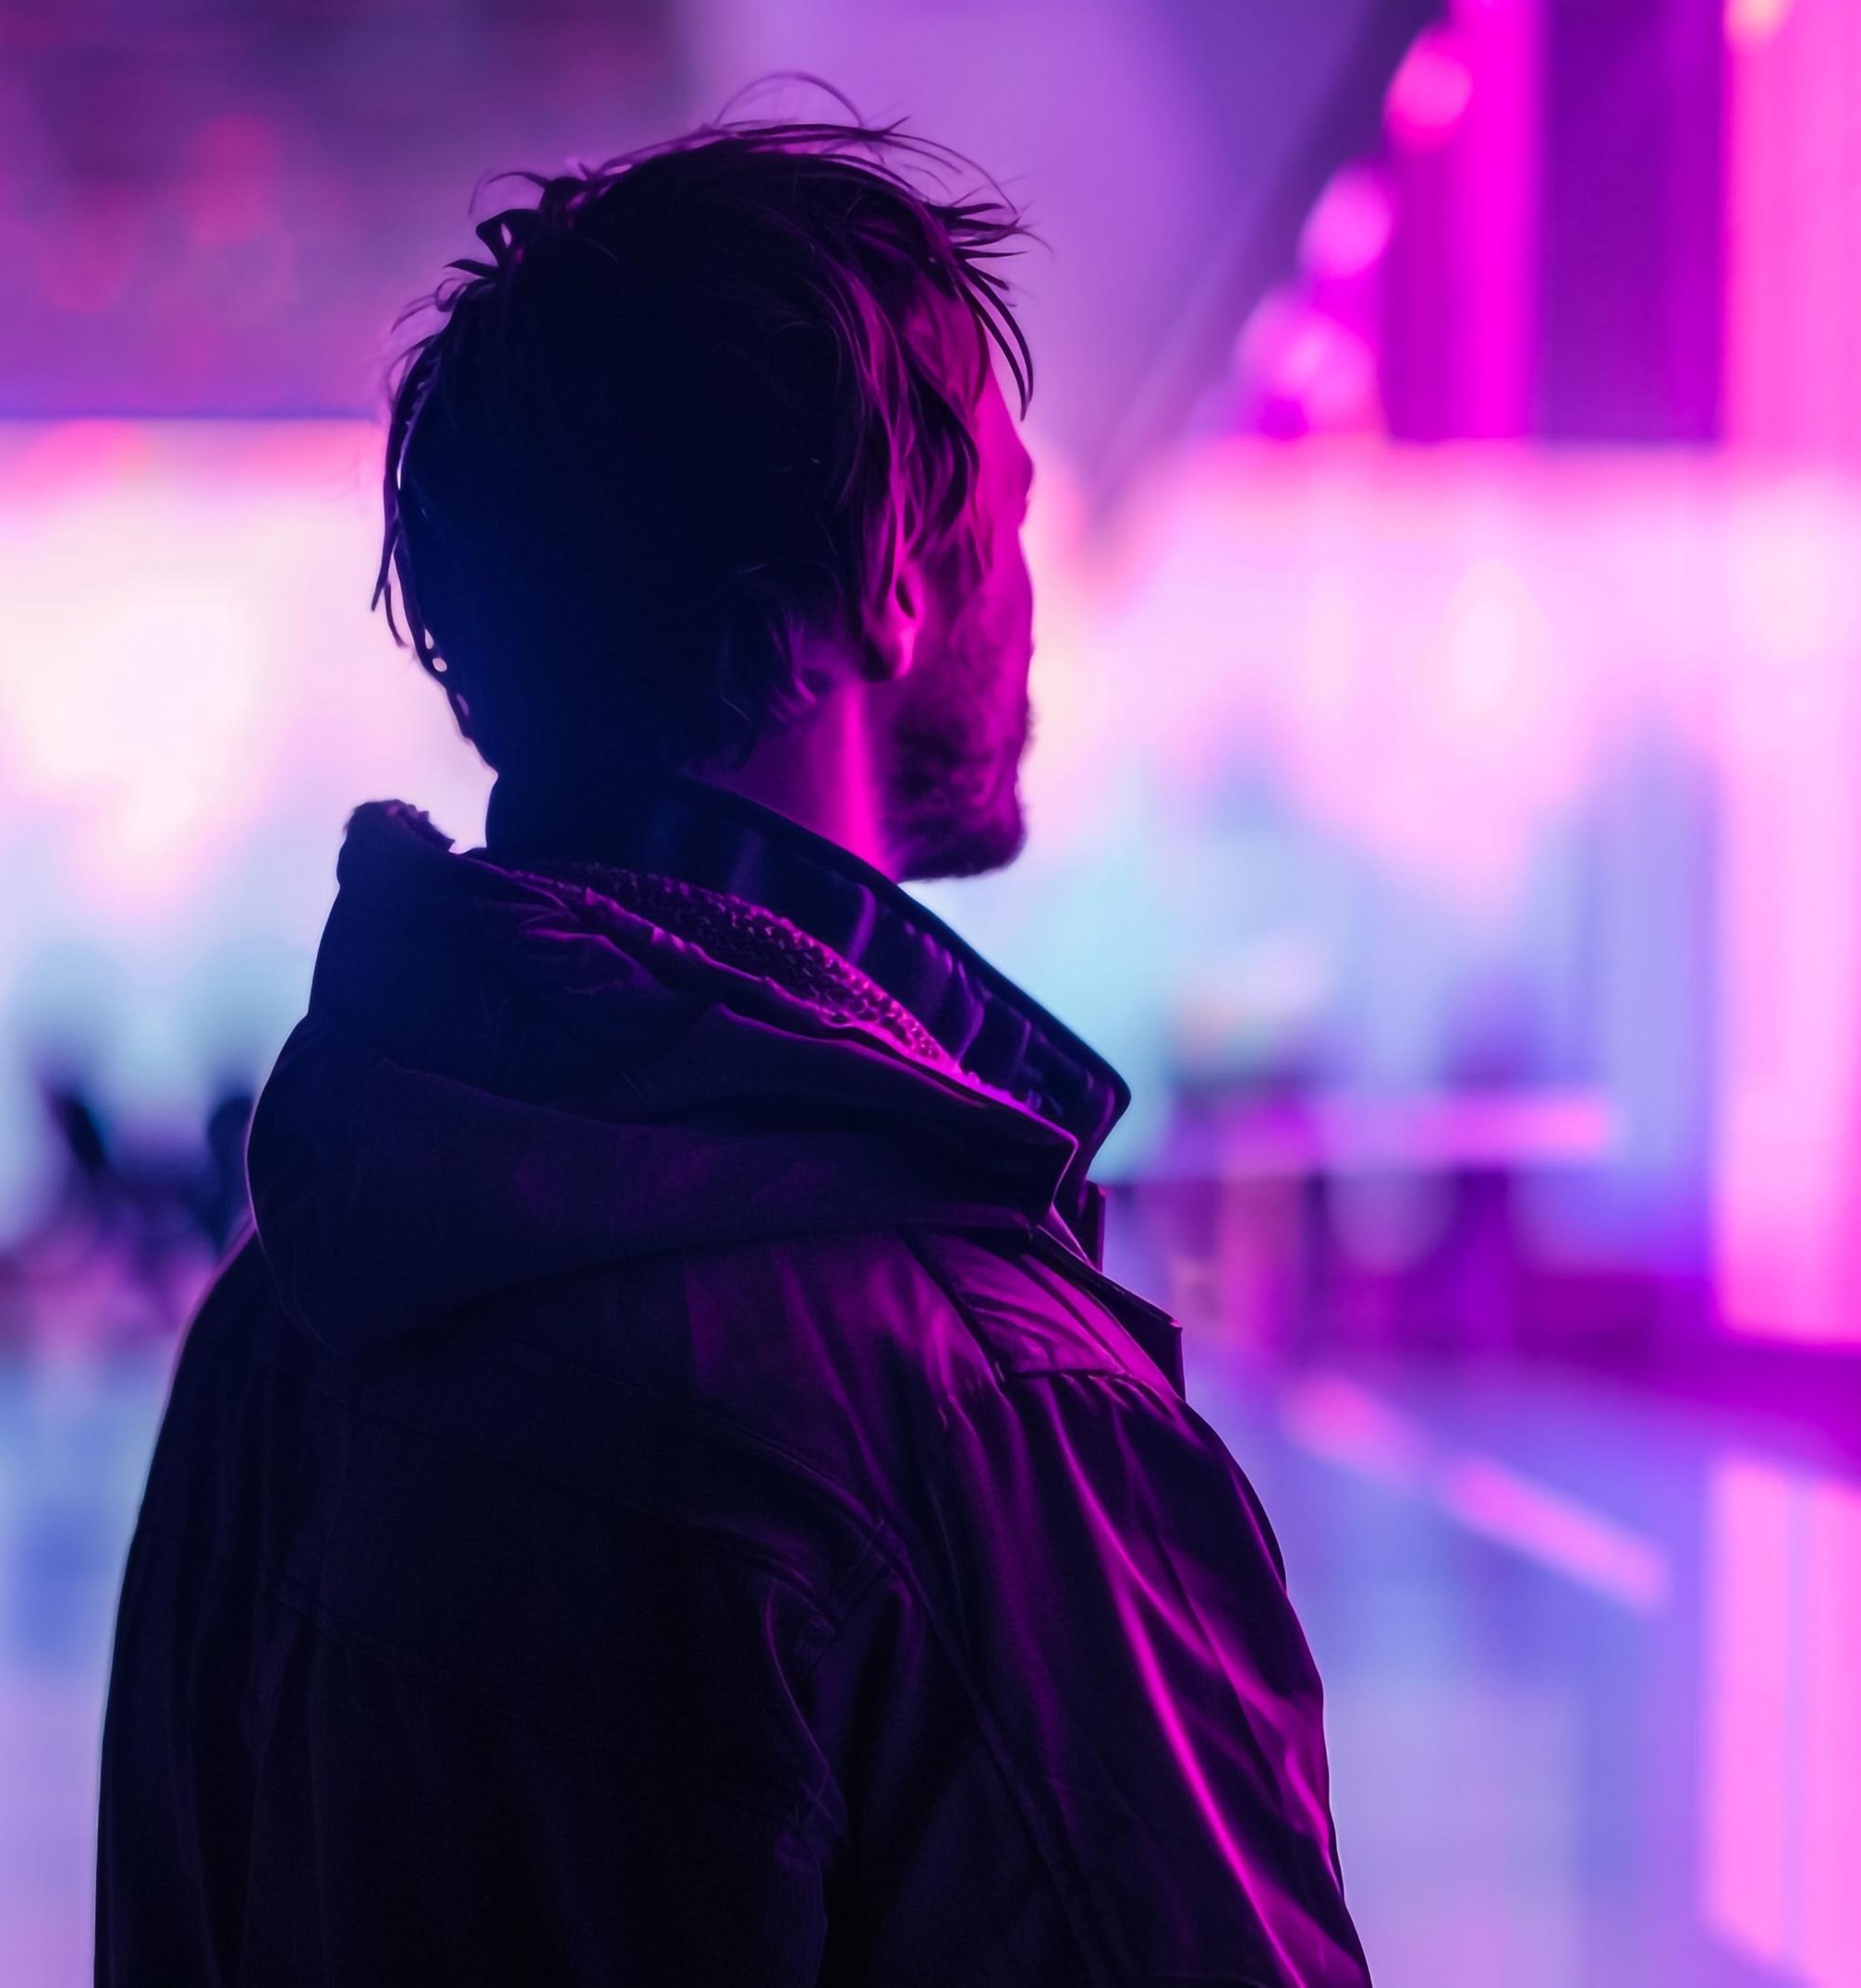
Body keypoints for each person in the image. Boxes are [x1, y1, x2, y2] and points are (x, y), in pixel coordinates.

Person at [94, 121, 1365, 1986]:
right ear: (887, 592)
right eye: (1004, 525)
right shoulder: (987, 1418)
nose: (1031, 617)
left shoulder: (279, 1323)